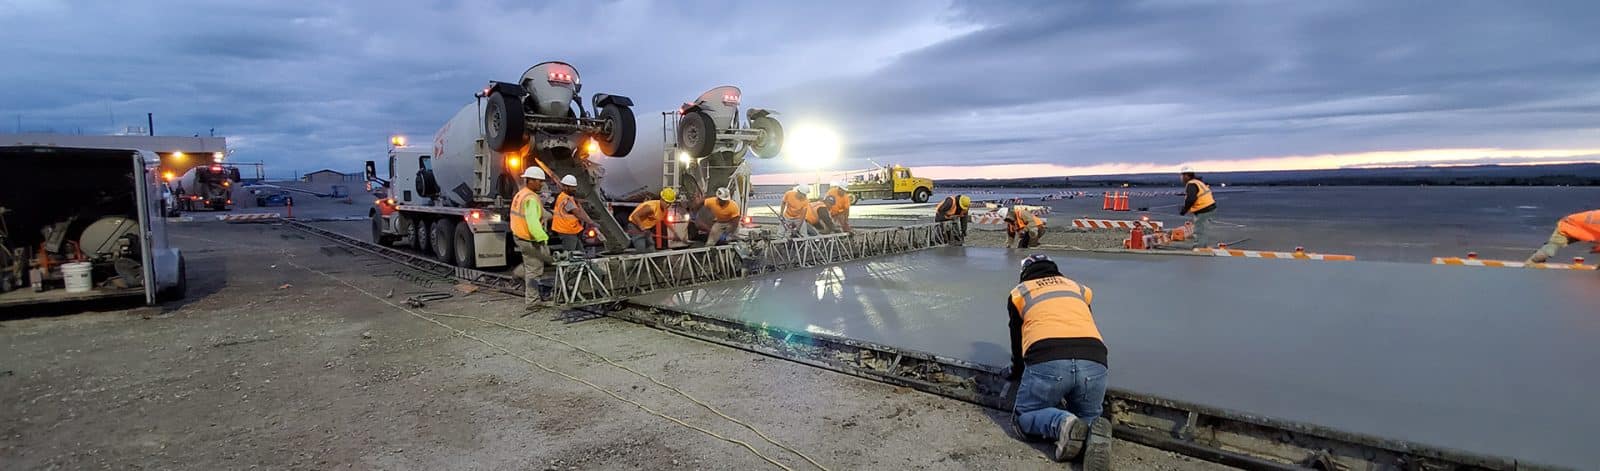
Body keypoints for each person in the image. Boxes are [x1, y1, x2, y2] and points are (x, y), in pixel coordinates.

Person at [1006, 254, 1113, 468]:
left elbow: (1017, 341)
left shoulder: (1021, 292)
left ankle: (1062, 424)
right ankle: (1093, 429)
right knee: (1088, 415)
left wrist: (1016, 373)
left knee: (1024, 416)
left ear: (1024, 273)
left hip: (1049, 359)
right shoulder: (1077, 288)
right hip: (1094, 359)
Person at [509, 167, 558, 295]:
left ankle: (518, 273)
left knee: (532, 263)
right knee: (535, 270)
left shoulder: (522, 194)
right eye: (539, 181)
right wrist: (543, 238)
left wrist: (554, 215)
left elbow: (539, 213)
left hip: (520, 236)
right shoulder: (530, 198)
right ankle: (533, 301)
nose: (542, 184)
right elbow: (533, 223)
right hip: (530, 238)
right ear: (530, 181)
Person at [1526, 209, 1600, 263]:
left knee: (1550, 248)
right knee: (1548, 250)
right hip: (1568, 227)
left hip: (1572, 225)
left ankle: (1530, 266)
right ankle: (1529, 266)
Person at [551, 174, 599, 255]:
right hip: (566, 231)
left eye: (574, 187)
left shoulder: (566, 197)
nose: (574, 189)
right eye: (572, 187)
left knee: (580, 254)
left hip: (570, 231)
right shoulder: (566, 199)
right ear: (565, 187)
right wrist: (591, 223)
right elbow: (578, 213)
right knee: (570, 255)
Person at [626, 187, 678, 253]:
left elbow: (666, 222)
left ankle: (650, 262)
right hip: (635, 226)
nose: (668, 205)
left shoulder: (665, 210)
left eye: (670, 203)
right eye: (666, 202)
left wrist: (675, 233)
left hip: (645, 228)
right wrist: (642, 228)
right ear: (661, 199)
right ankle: (637, 262)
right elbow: (635, 216)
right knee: (641, 249)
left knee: (651, 250)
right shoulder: (651, 207)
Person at [1179, 167, 1217, 249]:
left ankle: (1199, 248)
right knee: (1203, 229)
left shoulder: (1191, 184)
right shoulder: (1198, 182)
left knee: (1199, 229)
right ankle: (1203, 246)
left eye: (1182, 175)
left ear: (1186, 176)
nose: (1181, 178)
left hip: (1204, 209)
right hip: (1210, 207)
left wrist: (1184, 210)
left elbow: (1191, 199)